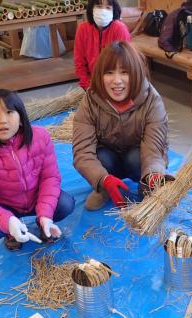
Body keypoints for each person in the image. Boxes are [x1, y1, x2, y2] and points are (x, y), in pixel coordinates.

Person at [0, 89, 75, 251]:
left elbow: (50, 178)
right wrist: (7, 221)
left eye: (9, 112)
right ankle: (13, 232)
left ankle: (42, 223)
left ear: (20, 115)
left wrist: (45, 215)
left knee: (65, 204)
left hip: (36, 198)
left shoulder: (40, 137)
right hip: (7, 205)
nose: (2, 120)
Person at [73, 41, 171, 210]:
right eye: (109, 72)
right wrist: (103, 179)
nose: (117, 81)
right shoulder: (90, 100)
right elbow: (82, 152)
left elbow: (153, 150)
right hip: (108, 159)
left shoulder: (152, 100)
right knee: (102, 157)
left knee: (135, 158)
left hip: (137, 157)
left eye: (125, 72)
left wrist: (154, 175)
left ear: (136, 74)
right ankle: (104, 188)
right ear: (100, 75)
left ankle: (146, 185)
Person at [73, 0, 131, 91]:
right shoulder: (82, 29)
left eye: (108, 8)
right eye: (99, 6)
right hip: (91, 83)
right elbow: (79, 62)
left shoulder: (120, 29)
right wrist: (87, 85)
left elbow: (125, 64)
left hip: (115, 83)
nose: (103, 11)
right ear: (92, 8)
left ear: (113, 10)